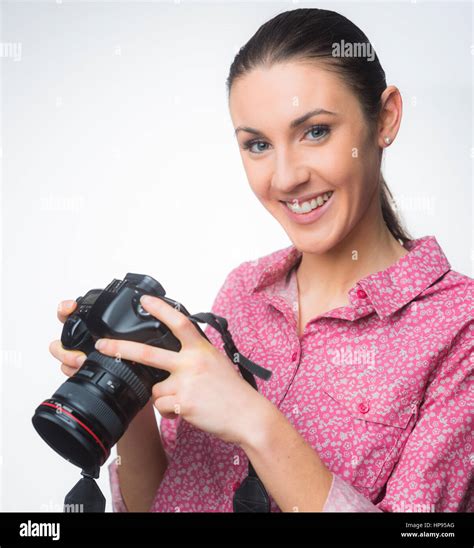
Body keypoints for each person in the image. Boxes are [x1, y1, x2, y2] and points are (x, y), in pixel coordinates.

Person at [50, 8, 473, 512]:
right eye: (257, 144)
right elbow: (167, 503)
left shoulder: (459, 328)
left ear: (385, 118)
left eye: (315, 131)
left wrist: (256, 423)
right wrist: (128, 393)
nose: (286, 176)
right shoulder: (241, 292)